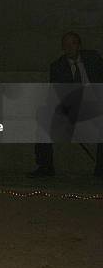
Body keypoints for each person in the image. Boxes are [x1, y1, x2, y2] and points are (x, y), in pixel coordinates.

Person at [29, 32, 103, 178]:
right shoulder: (58, 66)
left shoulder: (93, 59)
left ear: (79, 45)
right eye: (66, 45)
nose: (70, 48)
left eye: (73, 43)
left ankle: (101, 168)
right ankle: (45, 166)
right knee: (44, 115)